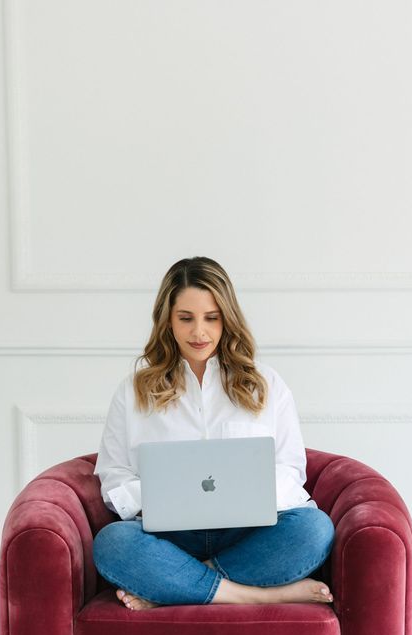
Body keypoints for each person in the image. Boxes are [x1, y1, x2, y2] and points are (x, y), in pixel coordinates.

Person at [92, 256, 335, 611]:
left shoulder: (265, 384)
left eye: (211, 318)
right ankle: (255, 595)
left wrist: (251, 496)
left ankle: (177, 586)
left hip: (248, 534)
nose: (198, 333)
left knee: (314, 528)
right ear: (167, 321)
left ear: (227, 318)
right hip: (169, 538)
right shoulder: (134, 390)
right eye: (186, 319)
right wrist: (164, 497)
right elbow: (114, 478)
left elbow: (290, 469)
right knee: (113, 543)